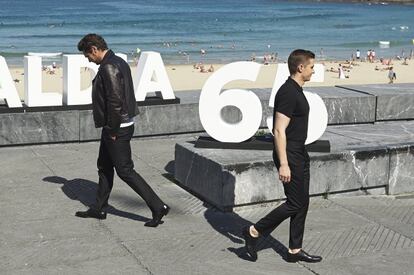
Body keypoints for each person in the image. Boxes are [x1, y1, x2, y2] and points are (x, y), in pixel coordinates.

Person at [75, 34, 169, 227]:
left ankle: (158, 206)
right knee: (104, 166)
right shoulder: (118, 61)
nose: (88, 60)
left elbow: (115, 101)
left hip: (116, 127)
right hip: (117, 125)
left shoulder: (108, 66)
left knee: (125, 171)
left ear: (94, 49)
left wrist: (113, 129)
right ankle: (99, 208)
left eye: (87, 56)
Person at [242, 49, 322, 263]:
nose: (314, 71)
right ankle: (253, 232)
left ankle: (294, 250)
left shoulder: (296, 89)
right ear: (300, 67)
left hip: (299, 152)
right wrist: (284, 164)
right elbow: (278, 130)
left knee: (302, 202)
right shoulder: (288, 92)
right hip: (290, 155)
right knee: (295, 203)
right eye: (312, 67)